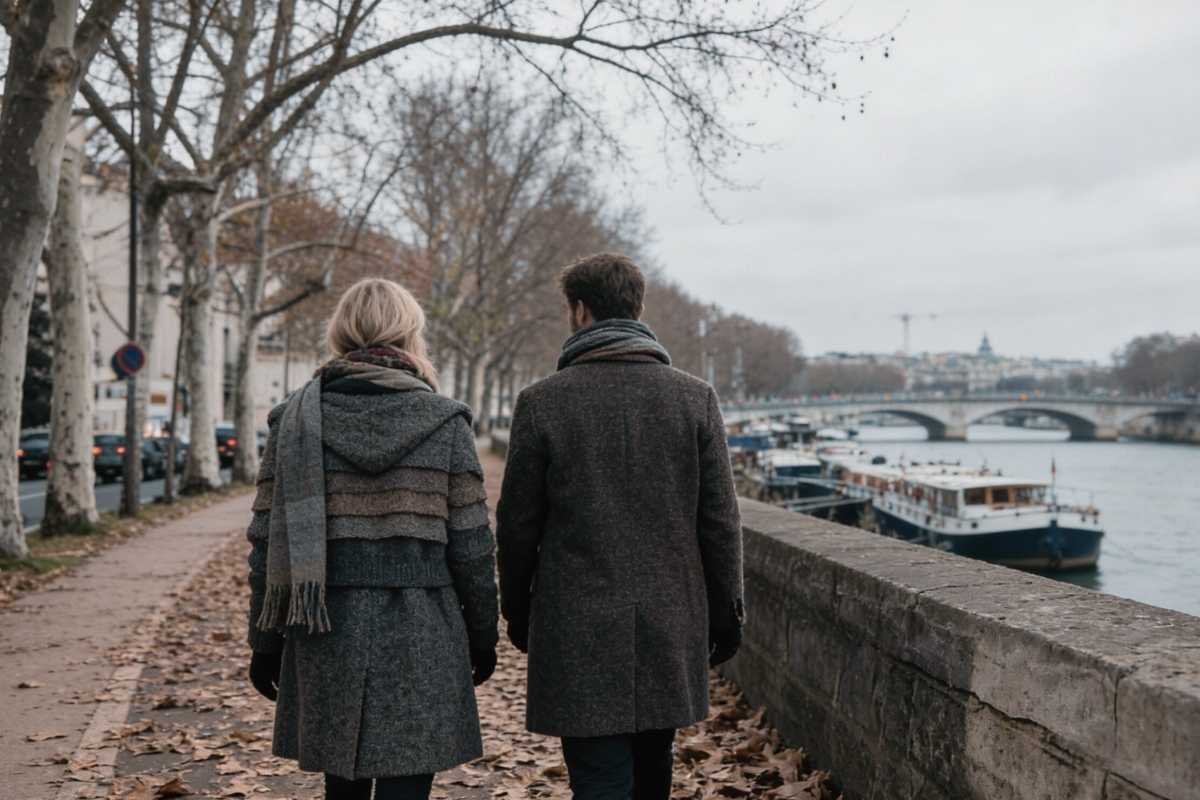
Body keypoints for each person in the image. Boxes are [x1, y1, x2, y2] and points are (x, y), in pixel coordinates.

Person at [496, 253, 744, 800]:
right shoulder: (694, 398)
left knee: (598, 774)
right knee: (654, 761)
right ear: (638, 307)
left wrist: (518, 608)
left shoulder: (541, 403)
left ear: (580, 311)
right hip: (670, 615)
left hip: (576, 618)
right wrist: (726, 613)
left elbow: (517, 525)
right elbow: (720, 522)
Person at [245, 278, 498, 800]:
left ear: (341, 332)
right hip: (424, 626)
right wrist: (482, 633)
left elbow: (267, 543)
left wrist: (264, 643)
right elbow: (472, 545)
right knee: (410, 782)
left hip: (324, 624)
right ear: (410, 333)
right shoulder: (446, 422)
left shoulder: (294, 421)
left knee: (343, 784)